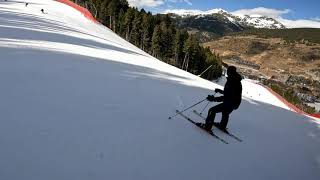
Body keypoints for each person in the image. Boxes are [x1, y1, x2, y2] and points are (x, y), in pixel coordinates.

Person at [202, 66, 242, 132]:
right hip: (235, 103)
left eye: (228, 71)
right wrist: (220, 91)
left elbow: (227, 97)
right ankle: (222, 126)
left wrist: (213, 99)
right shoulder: (236, 80)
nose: (227, 73)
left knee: (212, 110)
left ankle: (207, 127)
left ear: (229, 72)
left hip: (230, 102)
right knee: (225, 112)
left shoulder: (232, 81)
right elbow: (230, 93)